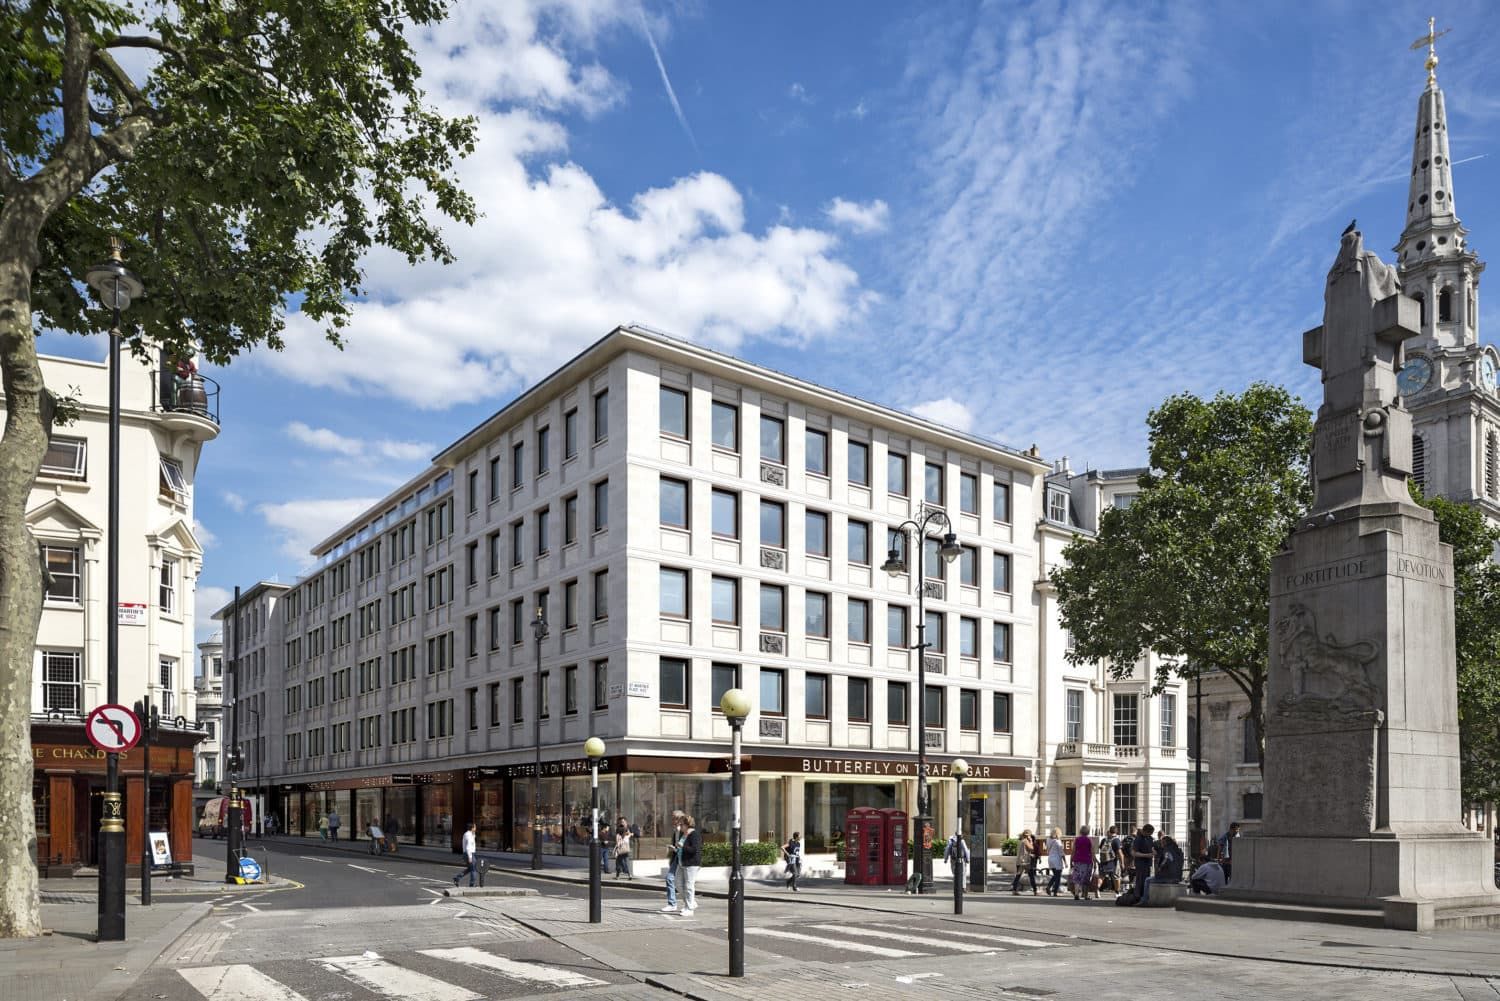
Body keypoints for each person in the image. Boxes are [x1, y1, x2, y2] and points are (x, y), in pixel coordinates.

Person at [675, 814, 702, 916]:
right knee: (677, 883)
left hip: (691, 863)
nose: (679, 826)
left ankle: (689, 909)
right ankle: (691, 902)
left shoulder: (694, 834)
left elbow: (695, 850)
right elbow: (682, 848)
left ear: (687, 824)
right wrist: (676, 848)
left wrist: (683, 846)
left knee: (689, 886)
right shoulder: (684, 834)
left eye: (681, 824)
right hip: (682, 862)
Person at [661, 810, 685, 912]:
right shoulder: (675, 830)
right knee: (670, 878)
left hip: (684, 858)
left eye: (674, 817)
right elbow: (677, 845)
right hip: (676, 857)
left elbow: (685, 846)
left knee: (684, 883)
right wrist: (673, 849)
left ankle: (689, 903)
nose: (672, 820)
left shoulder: (684, 830)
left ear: (679, 819)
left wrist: (675, 848)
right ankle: (672, 903)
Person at [1130, 824, 1156, 905]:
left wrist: (1153, 851)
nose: (1151, 835)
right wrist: (1146, 855)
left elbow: (1152, 848)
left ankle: (1144, 897)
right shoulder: (1138, 839)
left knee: (1146, 881)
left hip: (1148, 863)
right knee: (1140, 881)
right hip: (1140, 863)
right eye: (1150, 833)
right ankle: (1138, 897)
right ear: (1145, 831)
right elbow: (1134, 853)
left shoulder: (1149, 838)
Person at [1069, 825, 1096, 900]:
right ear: (1088, 832)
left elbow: (1073, 851)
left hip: (1077, 861)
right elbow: (1092, 852)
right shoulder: (1090, 840)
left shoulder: (1076, 840)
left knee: (1077, 878)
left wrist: (1071, 861)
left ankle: (1077, 894)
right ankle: (1085, 895)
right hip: (1087, 861)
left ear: (1080, 831)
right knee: (1086, 878)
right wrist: (1095, 863)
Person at [1011, 829, 1038, 895]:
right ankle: (1035, 891)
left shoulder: (1019, 841)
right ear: (1028, 835)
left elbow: (1024, 851)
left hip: (1019, 861)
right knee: (1031, 876)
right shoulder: (1026, 841)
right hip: (1025, 862)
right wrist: (1031, 841)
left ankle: (1014, 890)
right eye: (1030, 835)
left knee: (1018, 876)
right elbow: (1032, 848)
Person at [1098, 825, 1122, 893]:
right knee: (1116, 876)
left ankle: (1097, 888)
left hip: (1104, 861)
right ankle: (1117, 892)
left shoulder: (1104, 840)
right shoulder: (1116, 840)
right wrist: (1122, 863)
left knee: (1101, 876)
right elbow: (1120, 853)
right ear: (1116, 831)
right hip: (1113, 861)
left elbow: (1100, 849)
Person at [453, 821, 478, 888]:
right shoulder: (468, 835)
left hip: (468, 854)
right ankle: (472, 885)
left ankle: (457, 878)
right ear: (472, 828)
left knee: (470, 869)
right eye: (475, 827)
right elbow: (468, 847)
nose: (476, 828)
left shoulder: (470, 834)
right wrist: (470, 857)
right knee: (474, 869)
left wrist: (473, 834)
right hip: (469, 854)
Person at [1045, 827, 1065, 896]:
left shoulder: (1048, 840)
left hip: (1050, 859)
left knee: (1055, 875)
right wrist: (1065, 862)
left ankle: (1049, 887)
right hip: (1057, 860)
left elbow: (1047, 849)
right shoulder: (1057, 841)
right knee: (1058, 877)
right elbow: (1061, 853)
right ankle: (1055, 892)